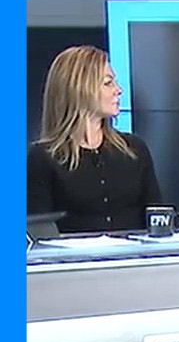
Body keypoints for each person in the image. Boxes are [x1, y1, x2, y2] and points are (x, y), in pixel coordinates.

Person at [27, 45, 162, 232]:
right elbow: (39, 233)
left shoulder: (134, 149)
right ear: (79, 89)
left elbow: (158, 220)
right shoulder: (43, 157)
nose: (119, 90)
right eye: (108, 83)